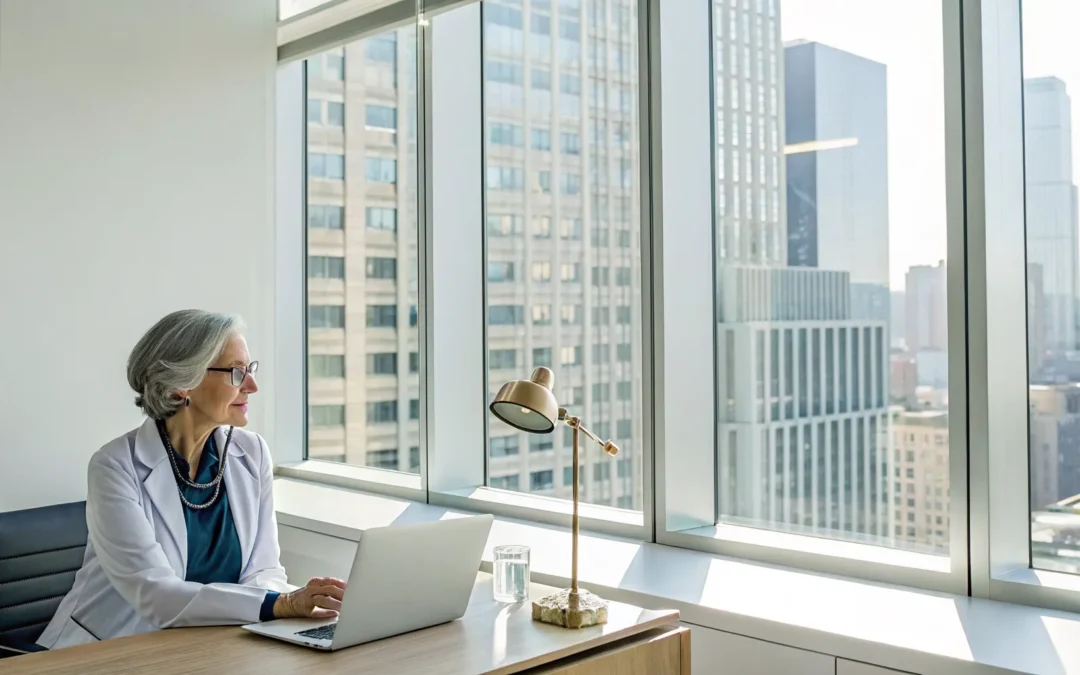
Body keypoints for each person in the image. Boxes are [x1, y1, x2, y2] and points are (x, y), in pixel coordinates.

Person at [38, 310, 345, 649]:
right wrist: (282, 604)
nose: (252, 386)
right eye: (236, 372)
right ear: (182, 385)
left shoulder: (252, 452)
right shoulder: (114, 467)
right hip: (107, 650)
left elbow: (264, 571)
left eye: (250, 369)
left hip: (212, 644)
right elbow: (156, 595)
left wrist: (287, 607)